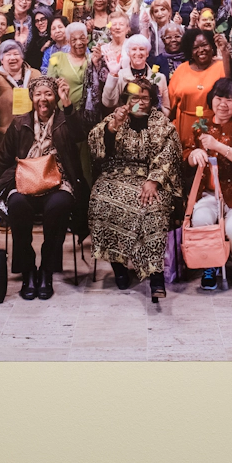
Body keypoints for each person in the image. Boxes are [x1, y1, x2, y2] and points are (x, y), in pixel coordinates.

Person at [0, 76, 90, 300]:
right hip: (24, 181)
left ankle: (47, 268)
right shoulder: (19, 123)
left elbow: (79, 135)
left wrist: (67, 104)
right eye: (38, 94)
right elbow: (4, 160)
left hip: (58, 181)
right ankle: (28, 270)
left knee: (60, 205)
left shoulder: (65, 120)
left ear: (55, 97)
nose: (43, 99)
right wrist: (0, 188)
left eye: (48, 94)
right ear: (32, 97)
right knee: (17, 205)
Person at [87, 80, 183, 301]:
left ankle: (155, 274)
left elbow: (169, 155)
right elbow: (96, 147)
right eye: (134, 97)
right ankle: (119, 266)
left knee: (154, 207)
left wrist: (154, 181)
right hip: (116, 175)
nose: (140, 102)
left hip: (151, 179)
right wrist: (112, 127)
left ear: (152, 101)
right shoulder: (116, 118)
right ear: (126, 100)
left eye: (145, 98)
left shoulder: (163, 124)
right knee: (102, 200)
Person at [185, 77, 232, 290]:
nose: (223, 104)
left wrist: (217, 145)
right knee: (200, 221)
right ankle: (211, 264)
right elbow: (187, 153)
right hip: (209, 193)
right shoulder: (201, 125)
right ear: (211, 100)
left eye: (229, 99)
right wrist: (196, 153)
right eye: (219, 98)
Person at [165, 26, 232, 150]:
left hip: (212, 127)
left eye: (204, 45)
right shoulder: (181, 69)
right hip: (183, 127)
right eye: (195, 47)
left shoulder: (221, 66)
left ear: (212, 46)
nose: (201, 50)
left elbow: (229, 88)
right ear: (189, 51)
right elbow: (171, 104)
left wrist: (224, 52)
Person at [0, 39, 38, 169]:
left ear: (22, 56)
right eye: (7, 55)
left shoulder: (35, 75)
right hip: (3, 138)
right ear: (1, 60)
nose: (12, 57)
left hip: (31, 137)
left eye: (16, 54)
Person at [101, 34, 169, 113]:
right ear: (128, 53)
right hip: (126, 122)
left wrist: (158, 103)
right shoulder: (120, 76)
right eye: (134, 49)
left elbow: (167, 110)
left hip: (152, 123)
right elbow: (108, 104)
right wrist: (113, 74)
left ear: (147, 53)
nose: (138, 53)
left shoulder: (159, 78)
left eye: (142, 49)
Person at [46, 21, 90, 107]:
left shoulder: (92, 59)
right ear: (68, 42)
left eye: (82, 38)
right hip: (65, 111)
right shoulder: (56, 57)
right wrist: (57, 82)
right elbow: (49, 84)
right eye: (74, 40)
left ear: (87, 39)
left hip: (89, 112)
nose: (79, 43)